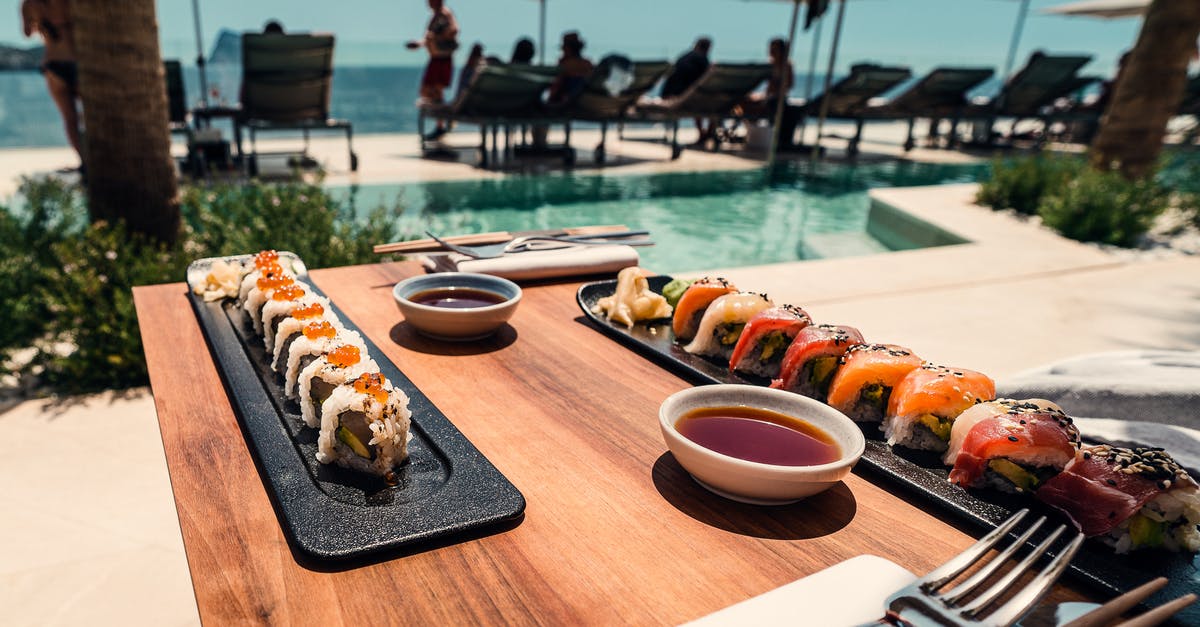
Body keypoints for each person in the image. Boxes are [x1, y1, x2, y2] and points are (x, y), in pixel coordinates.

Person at [21, 0, 81, 168]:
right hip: (75, 61)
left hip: (53, 64)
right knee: (95, 114)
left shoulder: (29, 4)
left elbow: (27, 32)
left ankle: (84, 161)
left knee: (70, 119)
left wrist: (40, 21)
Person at [407, 0, 458, 139]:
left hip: (442, 59)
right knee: (429, 91)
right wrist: (418, 44)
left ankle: (442, 123)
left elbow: (453, 30)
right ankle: (442, 123)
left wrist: (438, 35)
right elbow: (428, 37)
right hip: (436, 58)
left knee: (435, 91)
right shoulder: (435, 16)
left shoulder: (445, 14)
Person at [661, 37, 713, 145]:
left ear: (695, 45)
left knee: (698, 101)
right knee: (712, 104)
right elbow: (706, 81)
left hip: (669, 95)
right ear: (708, 49)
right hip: (683, 97)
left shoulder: (684, 57)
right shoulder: (702, 60)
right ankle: (707, 134)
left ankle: (704, 135)